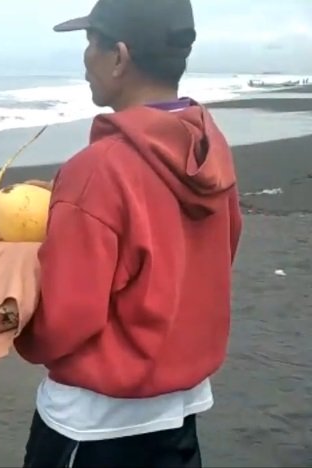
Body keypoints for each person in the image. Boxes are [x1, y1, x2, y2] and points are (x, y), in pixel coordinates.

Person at [14, 0, 242, 466]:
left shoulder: (98, 169)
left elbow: (65, 319)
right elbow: (215, 254)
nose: (85, 60)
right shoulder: (209, 150)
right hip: (179, 415)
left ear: (118, 57)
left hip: (94, 427)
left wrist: (15, 330)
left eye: (90, 43)